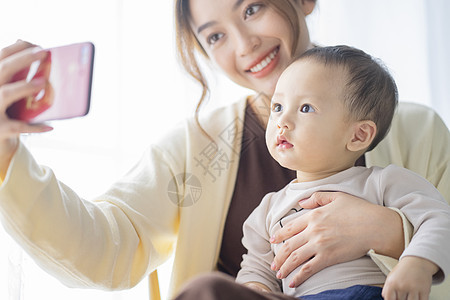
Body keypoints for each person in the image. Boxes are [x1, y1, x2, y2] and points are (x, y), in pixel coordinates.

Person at [0, 1, 448, 300]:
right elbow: (107, 247)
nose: (244, 44)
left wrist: (392, 233)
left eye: (252, 8)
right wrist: (6, 156)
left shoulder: (419, 131)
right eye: (215, 36)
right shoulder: (197, 149)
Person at [235, 45, 450, 300]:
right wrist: (256, 289)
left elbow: (438, 220)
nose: (282, 121)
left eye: (305, 108)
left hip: (367, 294)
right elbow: (256, 270)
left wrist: (418, 263)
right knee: (210, 288)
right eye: (278, 106)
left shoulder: (383, 182)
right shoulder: (267, 209)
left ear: (358, 135)